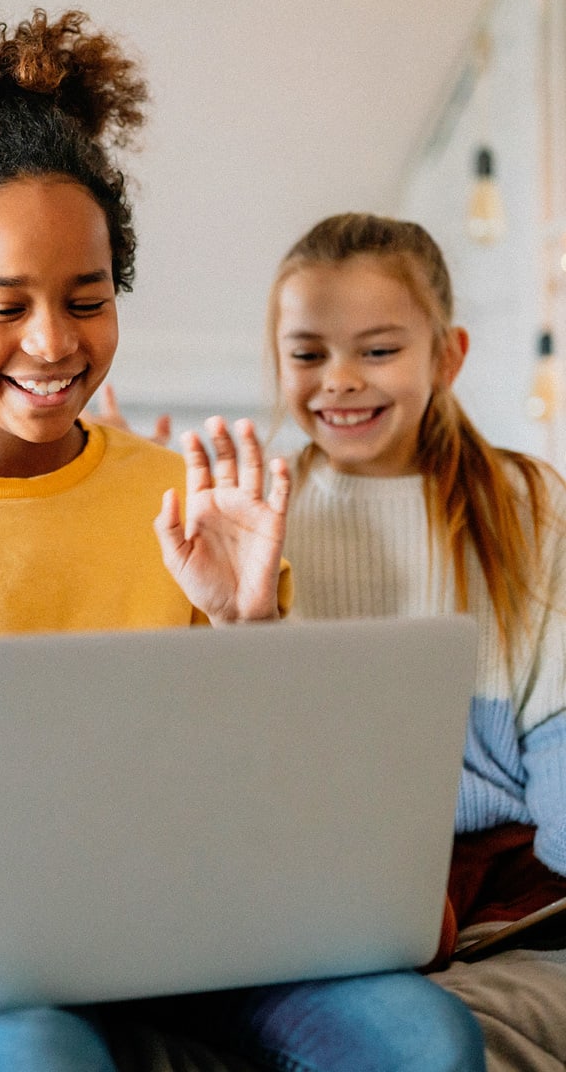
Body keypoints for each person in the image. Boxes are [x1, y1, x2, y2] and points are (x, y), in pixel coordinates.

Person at [0, 2, 484, 1072]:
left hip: (193, 901)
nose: (52, 341)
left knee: (427, 1043)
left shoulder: (182, 497)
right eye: (4, 306)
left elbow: (273, 778)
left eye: (87, 299)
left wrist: (249, 621)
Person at [268, 212, 566, 948]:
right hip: (331, 853)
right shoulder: (262, 517)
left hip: (507, 861)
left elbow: (560, 729)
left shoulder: (529, 504)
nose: (339, 380)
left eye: (377, 350)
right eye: (308, 354)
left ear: (445, 357)